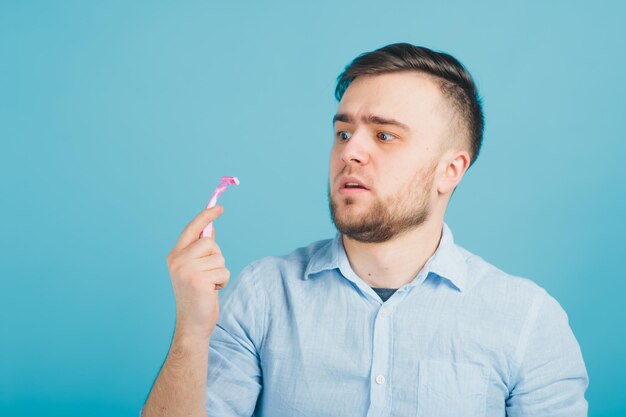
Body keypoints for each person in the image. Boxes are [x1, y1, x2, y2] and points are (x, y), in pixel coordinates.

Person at [143, 43, 588, 417]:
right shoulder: (261, 296)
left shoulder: (528, 321)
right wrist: (190, 334)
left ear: (450, 171)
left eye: (384, 136)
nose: (350, 151)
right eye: (343, 133)